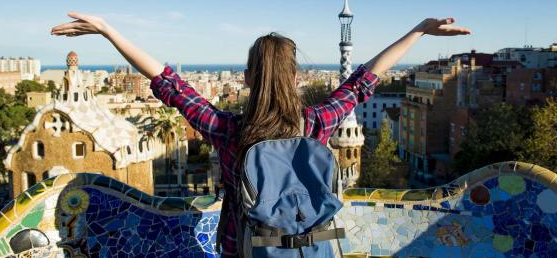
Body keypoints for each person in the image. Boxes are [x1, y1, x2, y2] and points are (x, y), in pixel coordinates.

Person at [51, 13, 471, 256]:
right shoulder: (316, 124)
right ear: (296, 77)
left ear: (249, 77)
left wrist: (108, 30)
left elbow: (169, 84)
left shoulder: (229, 132)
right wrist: (419, 29)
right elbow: (366, 79)